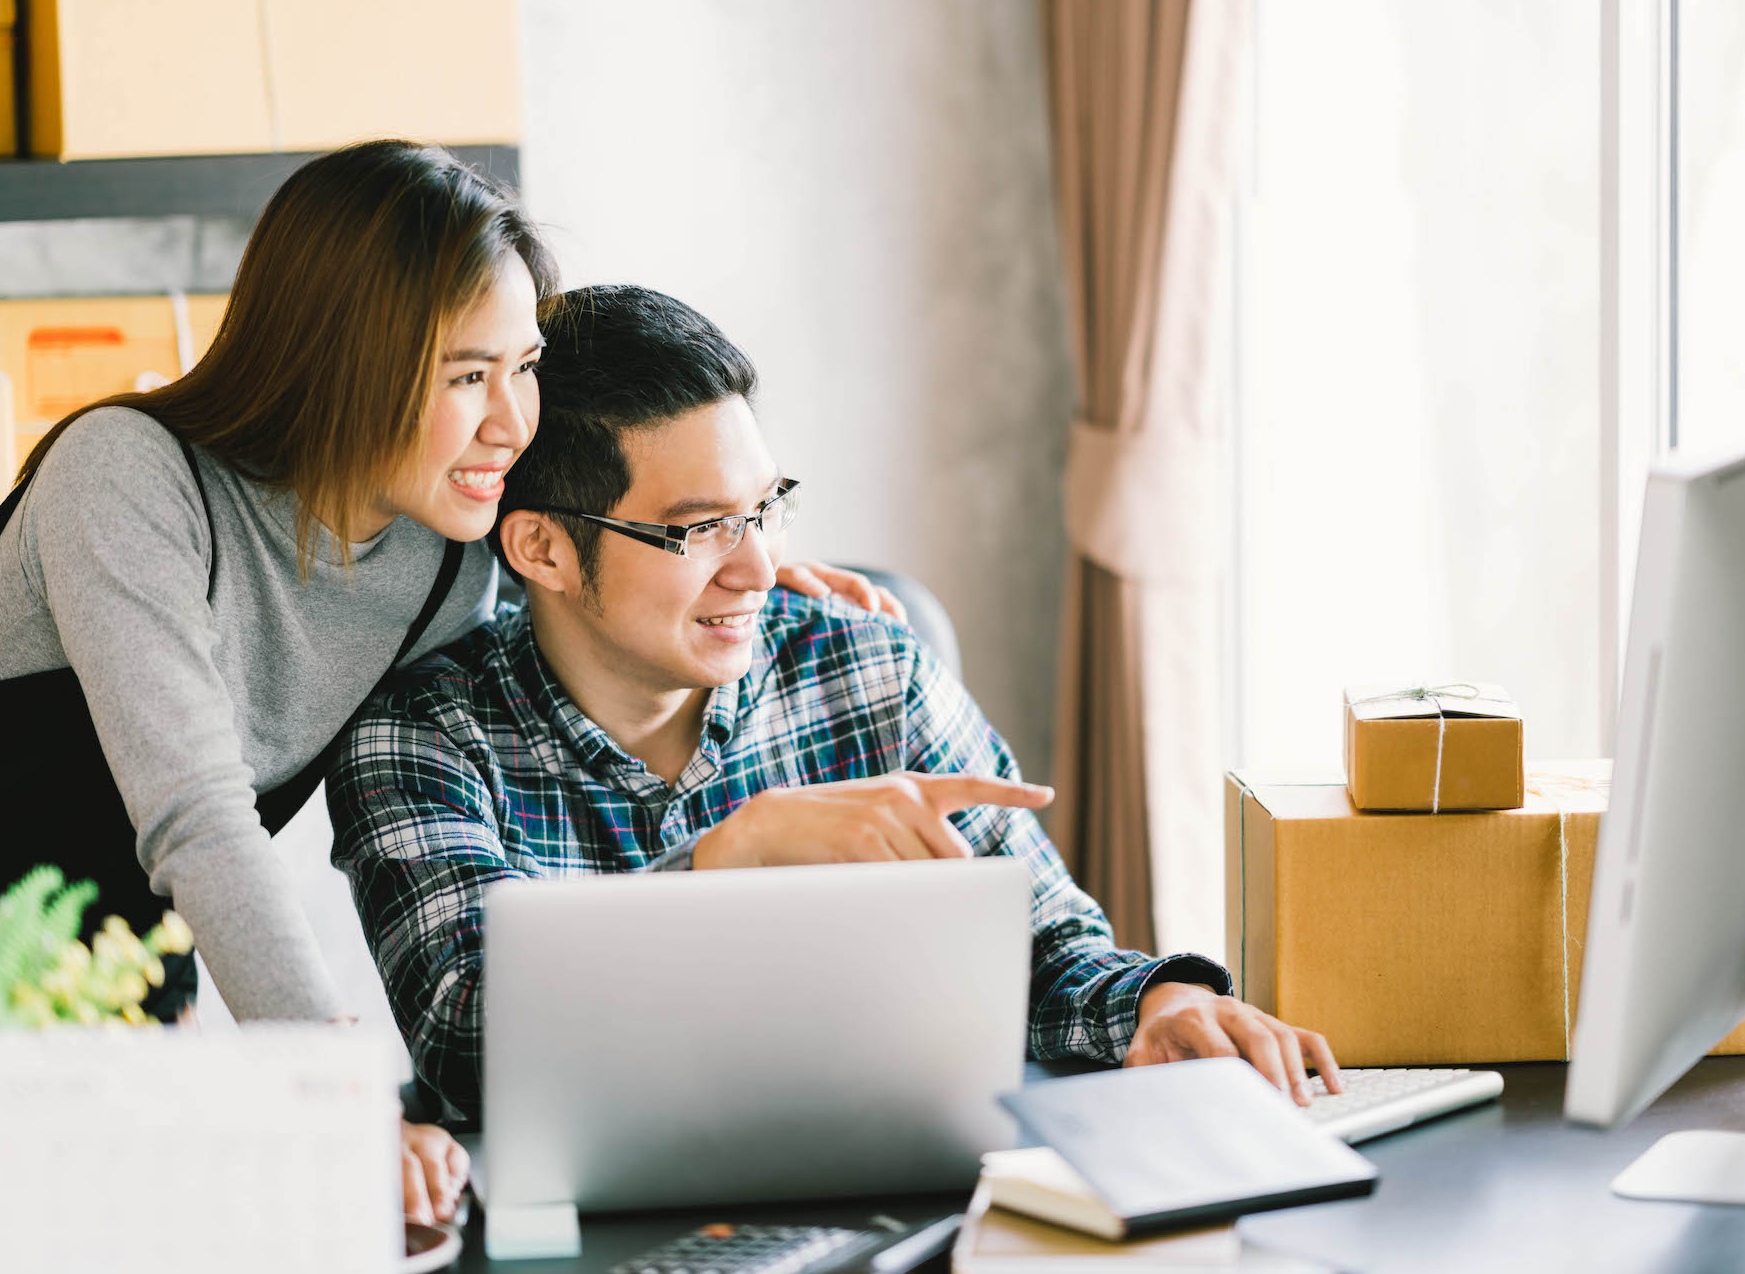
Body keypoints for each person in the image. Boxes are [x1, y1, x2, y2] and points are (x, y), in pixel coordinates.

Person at [0, 149, 894, 1223]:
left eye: (524, 365)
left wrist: (737, 550)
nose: (513, 420)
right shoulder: (126, 474)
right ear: (340, 362)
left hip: (99, 1019)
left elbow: (599, 563)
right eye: (467, 375)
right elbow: (198, 819)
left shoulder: (451, 553)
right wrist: (334, 1097)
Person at [326, 285, 1344, 1125]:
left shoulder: (860, 667)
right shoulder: (418, 733)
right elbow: (467, 1044)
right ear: (542, 547)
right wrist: (725, 859)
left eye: (763, 507)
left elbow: (1043, 947)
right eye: (699, 530)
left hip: (894, 1211)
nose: (760, 568)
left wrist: (1157, 1002)